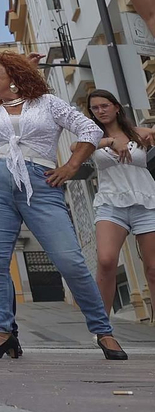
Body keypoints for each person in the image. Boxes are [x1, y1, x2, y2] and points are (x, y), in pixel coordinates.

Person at [0, 52, 125, 360]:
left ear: (14, 76)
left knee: (70, 260)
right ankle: (2, 332)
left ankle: (103, 331)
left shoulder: (48, 103)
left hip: (41, 181)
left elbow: (90, 130)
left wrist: (72, 166)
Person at [84, 88, 155, 318]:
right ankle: (101, 326)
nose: (100, 111)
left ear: (116, 107)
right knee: (105, 261)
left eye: (104, 105)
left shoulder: (137, 134)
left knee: (153, 268)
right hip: (110, 203)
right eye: (95, 108)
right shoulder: (92, 137)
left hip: (146, 202)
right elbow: (77, 147)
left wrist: (150, 130)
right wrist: (110, 141)